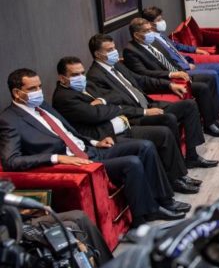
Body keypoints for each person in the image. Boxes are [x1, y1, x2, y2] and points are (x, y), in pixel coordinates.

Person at [0, 68, 187, 227]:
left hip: (90, 149)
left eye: (39, 87)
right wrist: (56, 158)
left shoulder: (43, 106)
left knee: (145, 146)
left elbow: (69, 132)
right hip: (79, 162)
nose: (38, 92)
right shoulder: (9, 120)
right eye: (32, 89)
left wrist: (95, 142)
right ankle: (144, 217)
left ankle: (164, 200)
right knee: (132, 163)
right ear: (17, 93)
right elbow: (11, 161)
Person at [52, 56, 201, 194]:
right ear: (62, 78)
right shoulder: (64, 97)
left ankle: (178, 177)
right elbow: (96, 115)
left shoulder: (87, 84)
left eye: (82, 73)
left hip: (123, 125)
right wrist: (112, 107)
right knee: (154, 138)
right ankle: (169, 188)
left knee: (164, 133)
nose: (81, 77)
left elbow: (116, 96)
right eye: (75, 75)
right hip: (107, 136)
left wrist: (103, 102)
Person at [85, 33, 219, 169]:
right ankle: (176, 166)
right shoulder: (94, 77)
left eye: (114, 48)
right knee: (169, 118)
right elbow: (113, 107)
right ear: (98, 54)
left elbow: (140, 80)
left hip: (148, 104)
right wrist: (144, 112)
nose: (114, 52)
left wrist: (169, 85)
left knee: (189, 105)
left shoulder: (116, 65)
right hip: (134, 117)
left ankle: (192, 157)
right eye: (109, 50)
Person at [121, 18, 219, 137]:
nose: (150, 33)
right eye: (146, 31)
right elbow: (144, 73)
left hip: (177, 74)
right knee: (202, 87)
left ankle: (215, 118)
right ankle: (209, 125)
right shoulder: (130, 51)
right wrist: (171, 74)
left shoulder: (154, 42)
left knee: (210, 78)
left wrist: (182, 71)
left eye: (150, 29)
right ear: (136, 35)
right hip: (163, 81)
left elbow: (170, 61)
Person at [140, 6, 219, 118]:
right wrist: (185, 66)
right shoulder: (151, 42)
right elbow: (165, 62)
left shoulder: (160, 34)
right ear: (150, 24)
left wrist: (195, 50)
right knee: (213, 74)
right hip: (180, 69)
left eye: (161, 18)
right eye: (158, 20)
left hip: (186, 62)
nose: (162, 22)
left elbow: (176, 45)